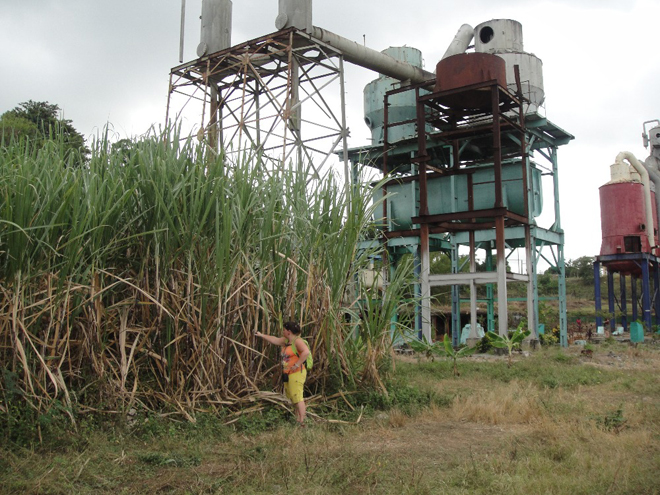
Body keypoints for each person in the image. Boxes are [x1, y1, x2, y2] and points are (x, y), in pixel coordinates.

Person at [255, 321, 310, 426]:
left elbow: (306, 352)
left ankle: (302, 422)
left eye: (284, 329)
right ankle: (298, 418)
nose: (283, 331)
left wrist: (297, 364)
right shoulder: (286, 341)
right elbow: (274, 339)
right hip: (288, 373)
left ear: (289, 331)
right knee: (293, 396)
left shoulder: (297, 341)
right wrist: (262, 335)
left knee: (297, 396)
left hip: (297, 373)